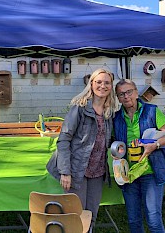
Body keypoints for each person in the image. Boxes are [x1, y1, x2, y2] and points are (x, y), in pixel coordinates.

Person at [46, 68, 117, 232]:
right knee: (75, 216)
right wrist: (65, 171)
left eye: (107, 83)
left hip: (97, 171)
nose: (102, 86)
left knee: (91, 215)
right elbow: (64, 139)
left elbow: (104, 139)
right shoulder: (79, 108)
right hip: (77, 170)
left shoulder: (109, 112)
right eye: (98, 82)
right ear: (91, 84)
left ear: (111, 86)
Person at [113, 79, 165, 233]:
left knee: (153, 219)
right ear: (118, 98)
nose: (126, 97)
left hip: (151, 171)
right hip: (128, 173)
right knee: (133, 220)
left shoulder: (152, 111)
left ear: (136, 92)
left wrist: (154, 145)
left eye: (129, 92)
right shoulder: (116, 118)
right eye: (121, 94)